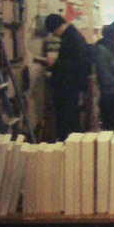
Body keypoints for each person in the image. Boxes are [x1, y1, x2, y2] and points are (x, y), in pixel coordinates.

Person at [41, 13, 90, 141]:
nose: (54, 35)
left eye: (53, 32)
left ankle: (68, 145)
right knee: (69, 119)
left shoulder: (72, 38)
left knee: (67, 120)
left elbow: (75, 64)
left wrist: (54, 63)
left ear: (57, 27)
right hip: (69, 85)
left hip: (68, 86)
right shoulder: (72, 36)